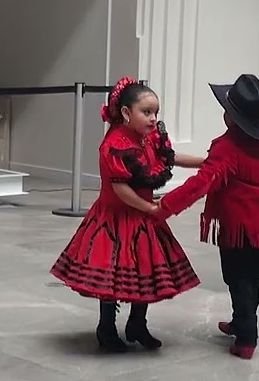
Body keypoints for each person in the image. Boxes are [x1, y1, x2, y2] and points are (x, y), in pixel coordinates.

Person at [49, 77, 202, 352]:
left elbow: (171, 157)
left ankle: (137, 324)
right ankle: (106, 328)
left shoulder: (149, 138)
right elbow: (120, 189)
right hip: (116, 217)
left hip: (142, 216)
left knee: (143, 269)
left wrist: (206, 161)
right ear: (125, 113)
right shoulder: (115, 144)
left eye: (156, 112)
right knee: (114, 273)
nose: (154, 119)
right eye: (147, 112)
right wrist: (152, 209)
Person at [154, 73, 259, 360]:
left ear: (233, 118)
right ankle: (242, 321)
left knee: (237, 279)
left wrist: (164, 207)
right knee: (254, 277)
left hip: (237, 228)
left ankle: (246, 339)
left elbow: (201, 184)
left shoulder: (227, 147)